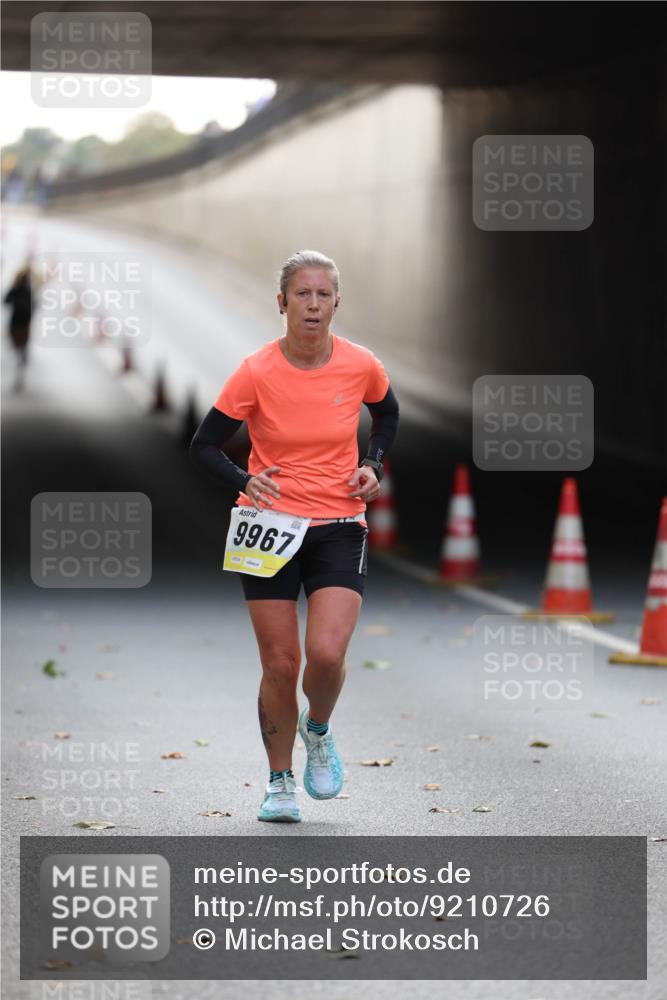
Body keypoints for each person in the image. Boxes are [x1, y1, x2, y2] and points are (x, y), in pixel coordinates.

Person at [190, 250, 399, 823]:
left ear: (336, 302)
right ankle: (279, 781)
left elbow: (387, 416)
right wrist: (245, 480)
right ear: (281, 303)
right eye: (301, 295)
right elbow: (204, 445)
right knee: (280, 664)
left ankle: (318, 728)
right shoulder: (256, 371)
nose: (312, 305)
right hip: (268, 528)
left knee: (326, 656)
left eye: (323, 295)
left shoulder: (360, 364)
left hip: (338, 523)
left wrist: (373, 464)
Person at [4, 260, 33, 391]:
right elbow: (6, 300)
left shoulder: (26, 291)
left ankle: (21, 359)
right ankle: (21, 356)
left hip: (20, 323)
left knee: (20, 346)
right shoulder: (21, 290)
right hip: (19, 323)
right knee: (19, 345)